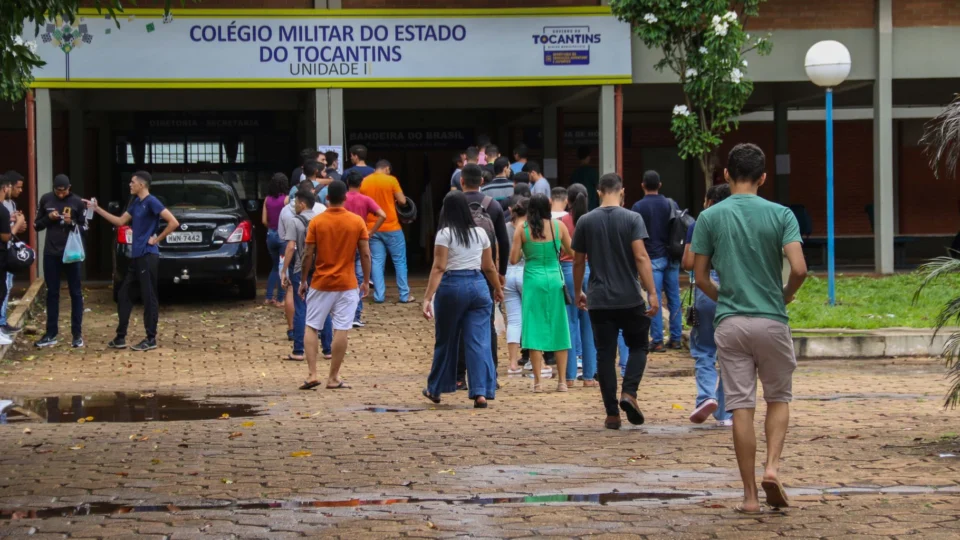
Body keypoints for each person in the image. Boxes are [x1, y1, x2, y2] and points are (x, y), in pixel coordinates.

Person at [691, 143, 806, 514]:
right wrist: (784, 295)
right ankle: (772, 468)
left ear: (725, 175)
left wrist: (722, 296)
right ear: (763, 177)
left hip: (731, 322)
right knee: (778, 397)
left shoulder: (710, 217)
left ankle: (750, 497)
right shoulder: (782, 214)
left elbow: (699, 274)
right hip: (772, 319)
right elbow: (800, 269)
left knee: (741, 406)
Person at [573, 173, 659, 430]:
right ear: (622, 191)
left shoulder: (585, 221)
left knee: (605, 354)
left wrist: (578, 291)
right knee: (638, 347)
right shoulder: (632, 218)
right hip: (630, 297)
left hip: (599, 300)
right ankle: (629, 392)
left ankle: (612, 414)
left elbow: (578, 261)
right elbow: (641, 257)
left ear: (599, 192)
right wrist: (652, 292)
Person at [422, 191, 503, 407]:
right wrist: (497, 288)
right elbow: (489, 266)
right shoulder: (480, 233)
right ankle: (481, 392)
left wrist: (428, 297)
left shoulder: (444, 234)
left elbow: (439, 267)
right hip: (478, 286)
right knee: (478, 341)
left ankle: (436, 388)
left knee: (447, 340)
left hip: (451, 286)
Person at [87, 171, 179, 352]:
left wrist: (157, 239)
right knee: (123, 295)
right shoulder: (136, 203)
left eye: (132, 182)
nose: (130, 185)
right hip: (136, 257)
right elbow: (120, 221)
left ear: (142, 185)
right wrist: (97, 209)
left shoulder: (152, 201)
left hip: (148, 256)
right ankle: (120, 337)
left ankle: (151, 338)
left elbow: (173, 222)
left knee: (148, 296)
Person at [298, 180, 371, 390]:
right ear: (345, 198)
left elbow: (308, 255)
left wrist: (304, 280)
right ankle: (333, 377)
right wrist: (365, 280)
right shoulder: (356, 222)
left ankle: (312, 374)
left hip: (321, 282)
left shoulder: (317, 222)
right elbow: (365, 253)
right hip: (347, 283)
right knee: (342, 328)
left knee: (312, 326)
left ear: (327, 198)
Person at [510, 193, 572, 393]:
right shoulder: (558, 227)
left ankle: (537, 382)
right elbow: (572, 252)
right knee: (559, 326)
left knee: (534, 328)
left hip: (533, 280)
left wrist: (527, 251)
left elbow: (513, 259)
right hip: (555, 279)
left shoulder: (522, 229)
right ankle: (562, 381)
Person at [683, 183, 733, 427]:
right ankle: (725, 413)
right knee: (731, 354)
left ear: (708, 200)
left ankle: (706, 396)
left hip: (706, 286)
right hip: (734, 287)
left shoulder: (699, 223)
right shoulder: (737, 221)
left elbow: (688, 263)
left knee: (704, 349)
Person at [457, 163, 511, 389]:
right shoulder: (493, 206)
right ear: (482, 181)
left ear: (461, 182)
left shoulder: (452, 205)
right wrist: (501, 273)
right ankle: (491, 375)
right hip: (485, 272)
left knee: (458, 324)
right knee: (487, 323)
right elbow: (504, 242)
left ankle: (459, 375)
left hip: (458, 271)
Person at [33, 174, 87, 348]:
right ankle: (51, 333)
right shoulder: (46, 200)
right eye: (58, 191)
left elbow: (85, 227)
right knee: (52, 293)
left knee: (75, 293)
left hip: (71, 253)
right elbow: (36, 225)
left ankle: (77, 334)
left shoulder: (77, 202)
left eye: (64, 191)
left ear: (69, 188)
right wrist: (49, 219)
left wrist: (72, 224)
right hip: (51, 253)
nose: (61, 195)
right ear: (54, 189)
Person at [631, 170, 681, 353]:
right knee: (674, 297)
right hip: (672, 257)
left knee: (655, 298)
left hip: (652, 258)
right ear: (660, 185)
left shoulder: (638, 207)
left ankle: (658, 340)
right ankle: (676, 338)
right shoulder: (671, 203)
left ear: (642, 185)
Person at [278, 179, 327, 342]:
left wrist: (284, 270)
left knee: (301, 307)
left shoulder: (294, 220)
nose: (295, 206)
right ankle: (327, 348)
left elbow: (290, 247)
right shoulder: (322, 218)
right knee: (323, 307)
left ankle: (298, 347)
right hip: (320, 266)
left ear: (302, 203)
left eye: (297, 203)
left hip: (300, 267)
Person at [560, 184, 597, 387]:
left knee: (570, 324)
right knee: (589, 324)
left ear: (569, 200)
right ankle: (590, 376)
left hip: (567, 271)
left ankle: (570, 376)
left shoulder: (562, 222)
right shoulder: (593, 220)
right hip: (590, 271)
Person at [360, 160, 412, 304]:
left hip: (372, 228)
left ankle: (379, 295)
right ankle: (404, 295)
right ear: (387, 169)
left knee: (376, 261)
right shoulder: (391, 180)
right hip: (392, 226)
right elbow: (402, 201)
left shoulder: (365, 182)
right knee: (400, 261)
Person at [344, 169, 386, 327]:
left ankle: (343, 315)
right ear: (361, 184)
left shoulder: (342, 199)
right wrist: (371, 231)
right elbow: (383, 215)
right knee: (360, 279)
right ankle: (356, 315)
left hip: (344, 242)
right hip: (361, 240)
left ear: (347, 183)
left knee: (344, 276)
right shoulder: (366, 199)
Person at [503, 197, 528, 375]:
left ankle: (512, 363)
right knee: (532, 318)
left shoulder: (505, 227)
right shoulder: (530, 228)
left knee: (513, 320)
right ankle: (537, 362)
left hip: (507, 273)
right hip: (527, 273)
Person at [0, 171, 25, 336]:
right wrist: (17, 225)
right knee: (3, 288)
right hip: (3, 251)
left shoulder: (10, 206)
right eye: (16, 187)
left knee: (6, 287)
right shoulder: (2, 208)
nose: (19, 190)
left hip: (6, 251)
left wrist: (15, 222)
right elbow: (5, 236)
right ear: (6, 187)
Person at [263, 173, 289, 307]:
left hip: (271, 235)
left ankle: (268, 297)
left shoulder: (267, 199)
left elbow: (263, 220)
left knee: (274, 266)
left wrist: (272, 228)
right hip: (283, 236)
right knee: (283, 268)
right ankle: (280, 299)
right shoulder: (286, 199)